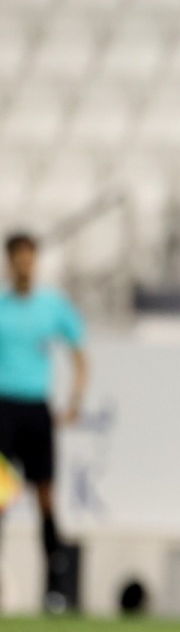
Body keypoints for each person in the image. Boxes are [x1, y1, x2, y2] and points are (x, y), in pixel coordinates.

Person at [0, 232, 88, 611]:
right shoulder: (2, 307)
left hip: (37, 409)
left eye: (29, 257)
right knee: (1, 498)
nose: (23, 264)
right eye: (17, 257)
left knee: (46, 499)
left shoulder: (52, 307)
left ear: (35, 261)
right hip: (3, 408)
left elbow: (80, 355)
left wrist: (74, 400)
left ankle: (55, 588)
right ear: (9, 262)